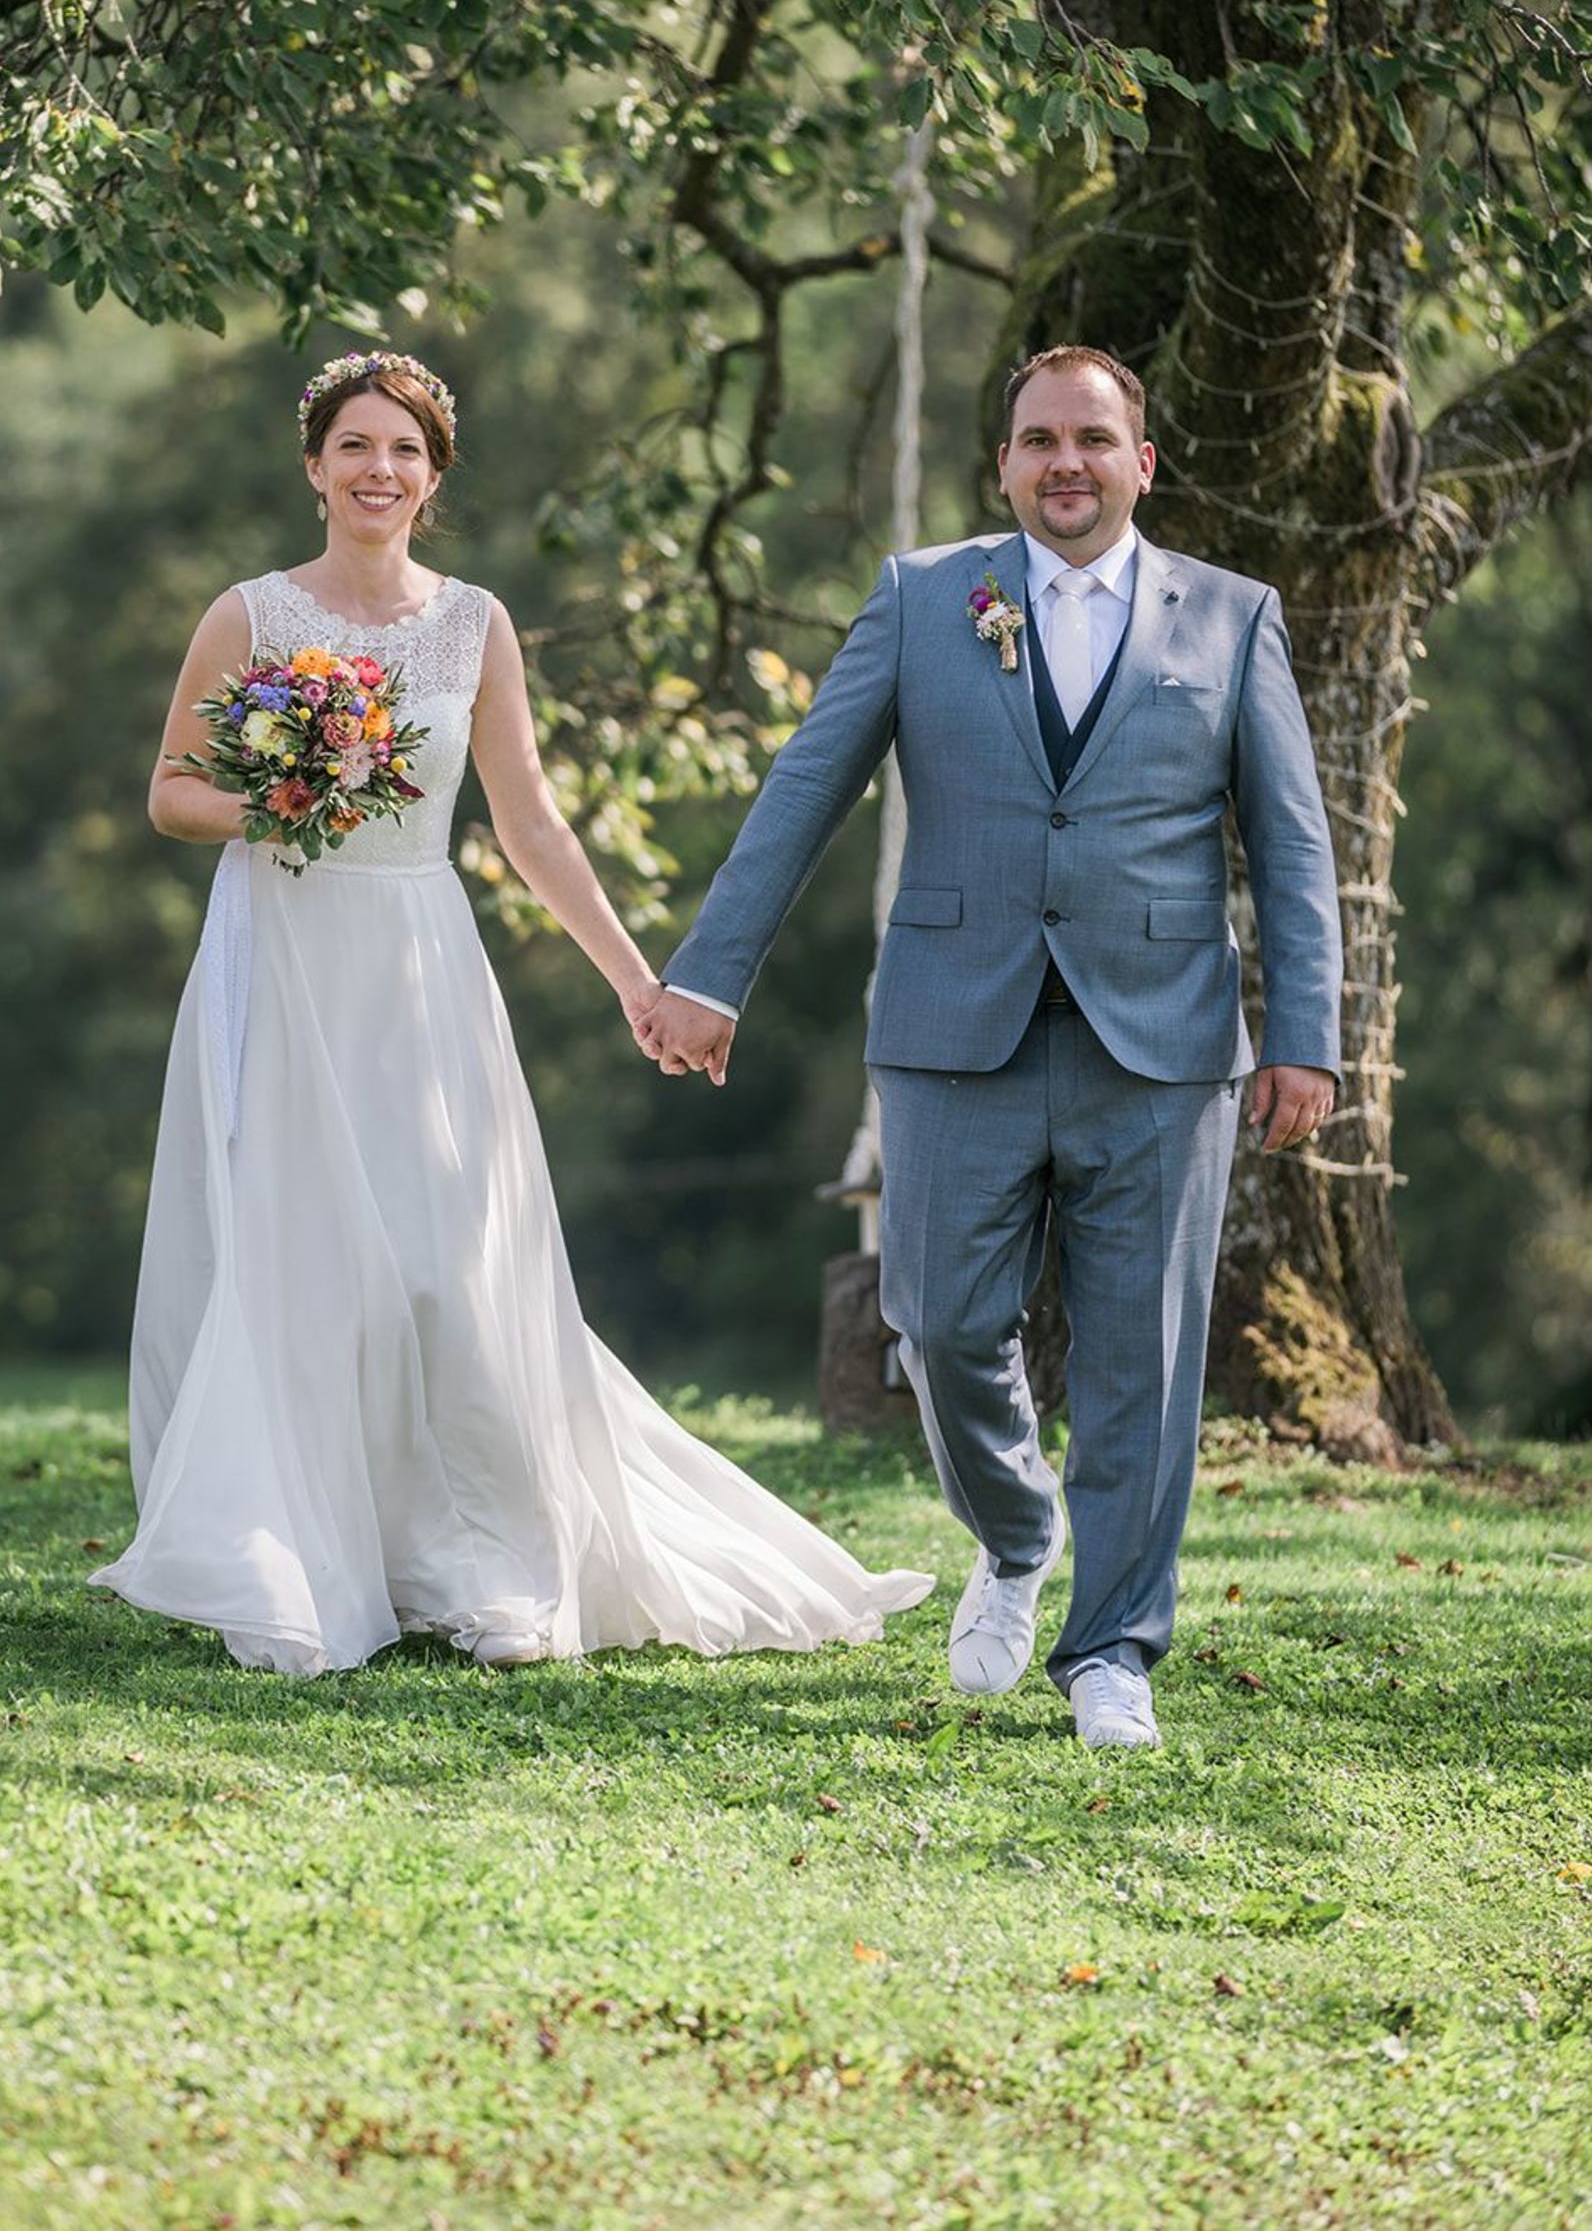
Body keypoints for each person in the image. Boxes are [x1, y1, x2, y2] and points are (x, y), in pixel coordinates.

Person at [90, 352, 932, 1673]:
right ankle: (306, 1557)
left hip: (419, 964)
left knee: (452, 1264)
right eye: (355, 445)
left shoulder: (473, 623)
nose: (379, 470)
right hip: (285, 955)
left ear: (434, 478)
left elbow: (530, 822)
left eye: (405, 450)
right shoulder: (250, 614)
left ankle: (488, 1561)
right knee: (307, 1261)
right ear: (314, 466)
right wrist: (289, 791)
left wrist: (638, 981)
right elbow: (172, 793)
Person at [636, 344, 1342, 1748]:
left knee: (1143, 1360)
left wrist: (1306, 1035)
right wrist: (711, 974)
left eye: (1093, 438)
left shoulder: (1233, 615)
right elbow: (806, 785)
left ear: (1143, 461)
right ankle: (1016, 1534)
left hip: (1164, 1043)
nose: (1065, 462)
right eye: (1038, 440)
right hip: (955, 1029)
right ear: (1004, 465)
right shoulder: (923, 598)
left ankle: (1113, 1652)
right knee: (939, 1321)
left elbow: (1291, 840)